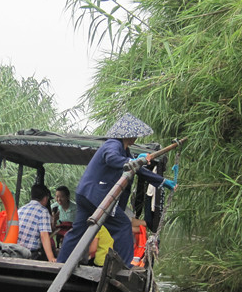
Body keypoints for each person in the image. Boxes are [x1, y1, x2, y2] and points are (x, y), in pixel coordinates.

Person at [57, 113, 177, 267]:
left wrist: (163, 181)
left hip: (85, 194)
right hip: (96, 194)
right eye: (134, 135)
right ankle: (126, 266)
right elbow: (111, 158)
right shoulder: (113, 144)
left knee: (77, 231)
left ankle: (61, 262)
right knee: (122, 226)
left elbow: (138, 169)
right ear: (128, 134)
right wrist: (131, 161)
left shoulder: (125, 151)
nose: (136, 138)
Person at [16, 183, 56, 262]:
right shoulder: (43, 212)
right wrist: (52, 259)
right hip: (30, 254)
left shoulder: (21, 209)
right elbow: (44, 235)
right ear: (45, 198)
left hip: (16, 250)